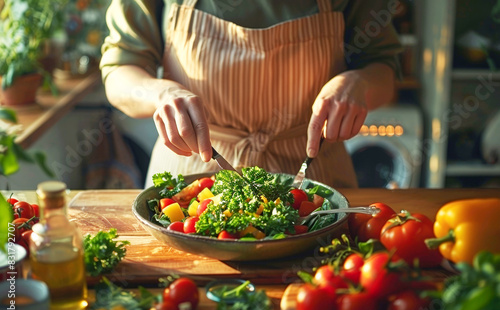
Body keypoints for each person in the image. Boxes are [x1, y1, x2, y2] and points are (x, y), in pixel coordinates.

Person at [100, 0, 402, 188]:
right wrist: (160, 93)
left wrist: (359, 83)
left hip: (315, 189)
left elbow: (384, 70)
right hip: (189, 189)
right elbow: (120, 71)